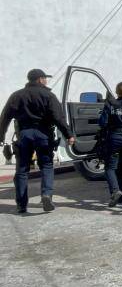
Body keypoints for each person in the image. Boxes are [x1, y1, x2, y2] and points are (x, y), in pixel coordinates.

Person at [0, 69, 75, 214]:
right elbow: (58, 118)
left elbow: (4, 117)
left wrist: (1, 137)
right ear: (40, 79)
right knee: (46, 165)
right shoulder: (48, 95)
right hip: (43, 134)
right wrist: (69, 135)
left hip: (24, 134)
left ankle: (21, 205)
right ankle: (46, 195)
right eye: (45, 78)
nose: (46, 81)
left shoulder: (16, 95)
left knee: (22, 170)